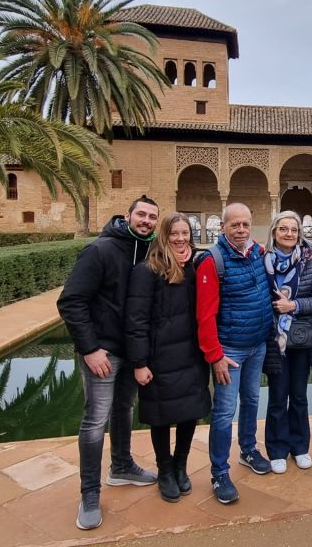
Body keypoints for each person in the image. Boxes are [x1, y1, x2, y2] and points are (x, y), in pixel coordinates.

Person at [57, 195, 160, 531]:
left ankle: (122, 466)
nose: (146, 221)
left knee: (122, 411)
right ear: (127, 215)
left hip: (132, 351)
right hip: (102, 352)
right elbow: (71, 301)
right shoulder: (100, 250)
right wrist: (89, 348)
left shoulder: (151, 252)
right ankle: (89, 493)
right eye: (141, 214)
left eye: (152, 217)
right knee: (95, 419)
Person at [125, 212, 211, 503]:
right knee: (161, 417)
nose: (180, 238)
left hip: (191, 355)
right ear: (164, 235)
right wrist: (139, 363)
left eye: (185, 233)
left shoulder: (196, 266)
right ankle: (164, 471)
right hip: (159, 359)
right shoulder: (147, 270)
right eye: (174, 233)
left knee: (189, 413)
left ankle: (180, 465)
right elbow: (135, 321)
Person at [196, 203, 273, 504]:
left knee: (252, 400)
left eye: (245, 224)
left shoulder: (257, 253)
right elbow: (204, 315)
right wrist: (214, 355)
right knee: (225, 412)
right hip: (229, 351)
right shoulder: (212, 261)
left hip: (257, 346)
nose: (241, 230)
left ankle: (248, 449)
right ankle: (219, 471)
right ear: (223, 227)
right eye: (235, 225)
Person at [262, 211, 312, 474]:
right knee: (278, 396)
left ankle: (300, 447)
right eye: (284, 229)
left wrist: (294, 305)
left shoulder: (310, 261)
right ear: (274, 232)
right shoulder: (261, 261)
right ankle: (277, 449)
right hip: (273, 340)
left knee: (299, 396)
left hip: (301, 339)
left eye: (294, 230)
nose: (289, 234)